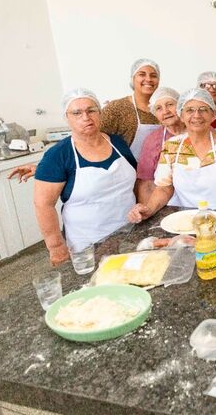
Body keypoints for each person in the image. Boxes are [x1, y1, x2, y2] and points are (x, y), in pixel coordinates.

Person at [33, 88, 137, 265]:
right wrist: (57, 247)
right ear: (67, 117)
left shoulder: (117, 142)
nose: (86, 117)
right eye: (77, 113)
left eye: (91, 110)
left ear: (100, 113)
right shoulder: (58, 155)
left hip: (130, 233)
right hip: (88, 244)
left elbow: (134, 180)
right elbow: (43, 204)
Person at [128, 88, 216, 225]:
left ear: (214, 115)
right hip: (189, 224)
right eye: (189, 110)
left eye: (203, 109)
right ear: (181, 115)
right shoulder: (172, 147)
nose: (196, 115)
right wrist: (149, 209)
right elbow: (164, 188)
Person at [100, 58, 161, 159]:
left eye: (153, 76)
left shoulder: (164, 110)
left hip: (159, 171)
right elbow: (95, 139)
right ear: (133, 78)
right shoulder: (116, 108)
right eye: (142, 74)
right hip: (126, 171)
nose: (149, 79)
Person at [135, 87, 186, 203]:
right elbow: (146, 183)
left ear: (180, 106)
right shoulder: (152, 141)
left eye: (169, 104)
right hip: (167, 204)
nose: (165, 111)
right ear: (155, 114)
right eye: (159, 108)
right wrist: (147, 214)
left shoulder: (198, 131)